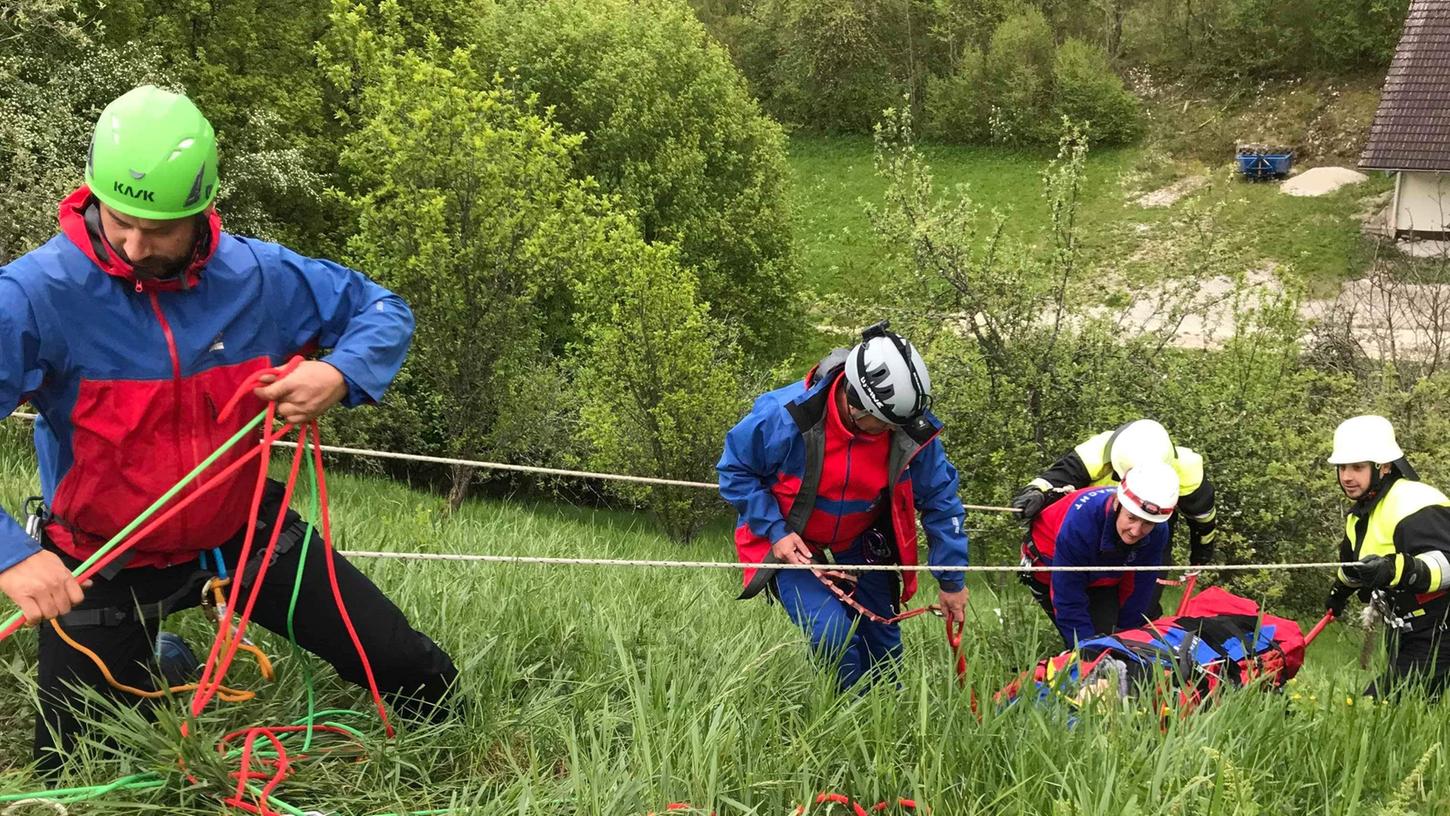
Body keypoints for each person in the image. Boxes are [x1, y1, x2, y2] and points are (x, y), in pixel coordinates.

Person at [0, 86, 458, 773]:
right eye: (118, 219)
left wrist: (338, 374)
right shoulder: (33, 294)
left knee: (419, 676)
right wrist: (12, 554)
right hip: (101, 559)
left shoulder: (260, 276)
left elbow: (381, 308)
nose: (131, 244)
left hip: (242, 534)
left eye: (158, 229)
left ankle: (172, 655)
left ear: (202, 210)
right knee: (71, 768)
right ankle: (163, 662)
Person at [717, 322, 970, 690]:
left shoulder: (905, 426)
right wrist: (776, 531)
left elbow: (941, 500)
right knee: (832, 635)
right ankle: (847, 709)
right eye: (881, 423)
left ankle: (885, 709)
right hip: (790, 538)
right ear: (855, 402)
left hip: (862, 533)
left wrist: (951, 580)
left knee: (883, 638)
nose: (890, 432)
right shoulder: (784, 415)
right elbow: (734, 470)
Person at [1324, 415, 1450, 699]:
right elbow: (1355, 566)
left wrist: (1398, 570)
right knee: (1411, 716)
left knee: (1374, 709)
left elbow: (1446, 563)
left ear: (1384, 467)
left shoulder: (1415, 503)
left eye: (1357, 467)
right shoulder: (1362, 513)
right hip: (1405, 629)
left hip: (1439, 630)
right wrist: (1339, 593)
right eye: (1342, 467)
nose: (1346, 476)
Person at [1018, 462, 1178, 648]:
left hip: (1105, 572)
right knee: (1090, 643)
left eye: (1147, 524)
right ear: (1118, 503)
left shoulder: (1158, 529)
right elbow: (1068, 599)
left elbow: (1140, 587)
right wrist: (1088, 651)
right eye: (1131, 518)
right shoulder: (1081, 523)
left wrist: (1128, 638)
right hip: (1048, 565)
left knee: (1114, 638)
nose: (1135, 531)